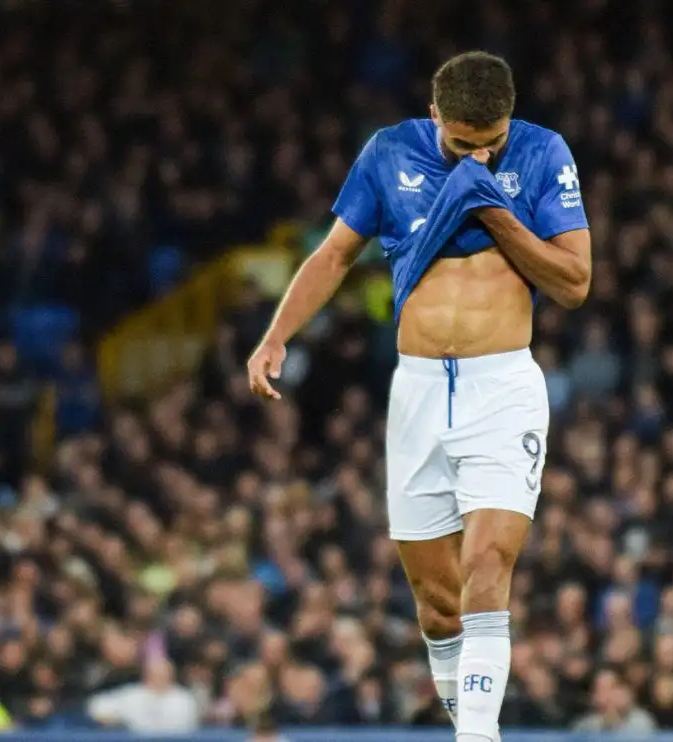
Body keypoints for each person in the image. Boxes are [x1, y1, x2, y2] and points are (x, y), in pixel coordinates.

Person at [246, 50, 591, 742]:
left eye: (491, 143)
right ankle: (471, 719)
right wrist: (277, 334)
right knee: (438, 606)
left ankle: (478, 738)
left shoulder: (542, 152)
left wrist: (492, 209)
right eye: (464, 145)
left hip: (503, 387)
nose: (480, 155)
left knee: (487, 564)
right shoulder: (388, 154)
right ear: (435, 117)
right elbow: (336, 254)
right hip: (420, 393)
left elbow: (574, 282)